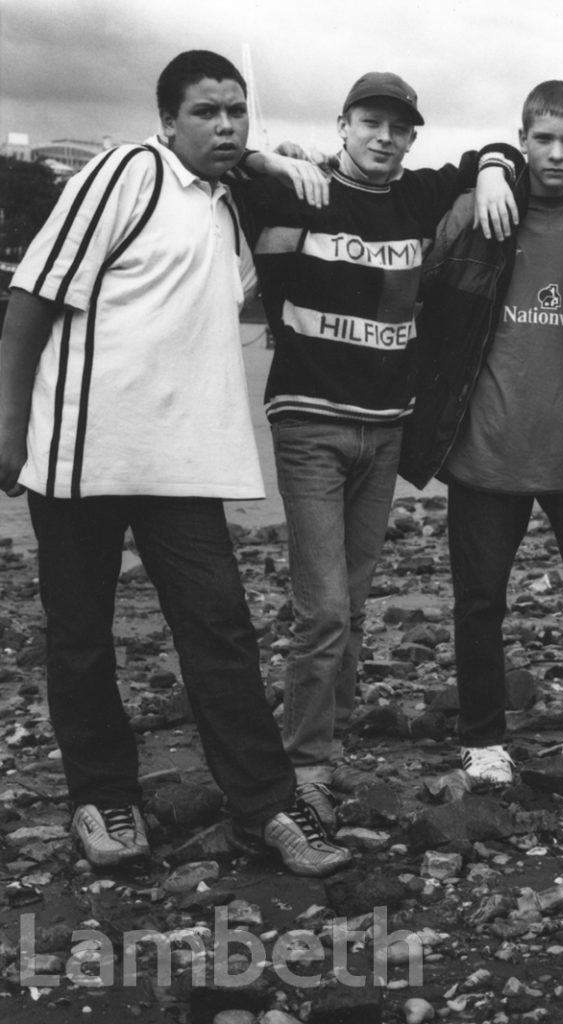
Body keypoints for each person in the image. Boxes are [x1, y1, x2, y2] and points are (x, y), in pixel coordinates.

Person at [0, 50, 350, 877]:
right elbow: (31, 298)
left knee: (220, 630)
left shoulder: (229, 204)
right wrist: (10, 427)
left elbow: (314, 191)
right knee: (82, 636)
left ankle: (265, 806)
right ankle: (101, 795)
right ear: (166, 121)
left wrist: (261, 160)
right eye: (206, 112)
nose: (226, 125)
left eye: (237, 111)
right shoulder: (127, 172)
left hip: (181, 464)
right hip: (82, 455)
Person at [233, 73, 521, 826]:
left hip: (386, 428)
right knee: (322, 608)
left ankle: (329, 740)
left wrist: (492, 168)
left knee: (353, 607)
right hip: (309, 426)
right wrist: (272, 160)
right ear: (344, 124)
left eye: (399, 127)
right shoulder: (302, 194)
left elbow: (496, 150)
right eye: (370, 122)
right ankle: (302, 765)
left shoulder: (417, 199)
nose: (384, 137)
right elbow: (222, 162)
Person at [400, 80, 563, 786]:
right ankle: (482, 737)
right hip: (485, 451)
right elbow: (403, 279)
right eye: (542, 138)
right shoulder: (473, 216)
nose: (556, 153)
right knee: (480, 602)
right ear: (521, 140)